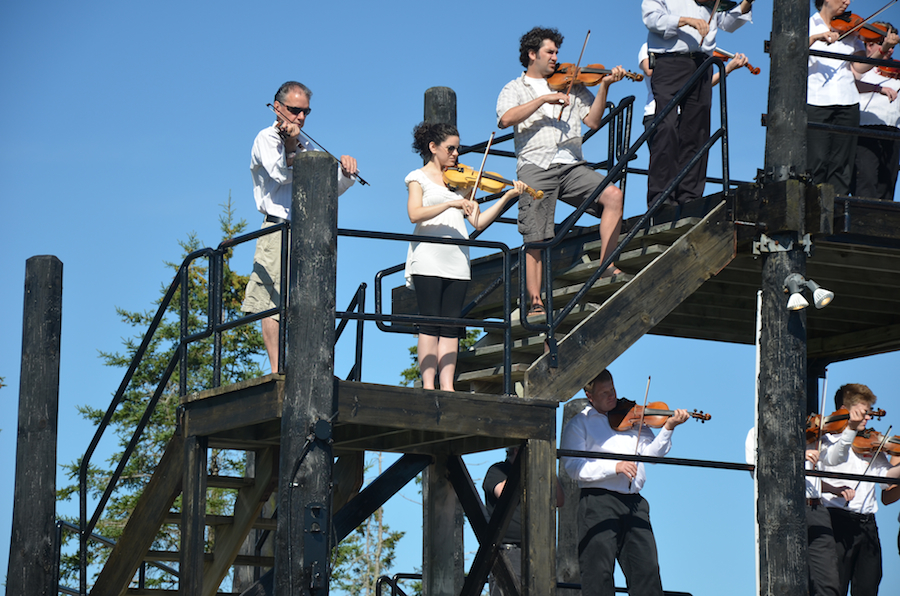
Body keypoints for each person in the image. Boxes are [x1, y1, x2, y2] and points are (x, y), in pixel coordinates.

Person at [496, 27, 625, 317]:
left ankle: (605, 267)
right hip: (536, 164)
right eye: (549, 52)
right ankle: (535, 302)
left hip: (572, 163)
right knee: (536, 236)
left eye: (557, 52)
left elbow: (593, 121)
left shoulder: (574, 85)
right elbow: (505, 119)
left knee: (613, 195)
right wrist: (543, 100)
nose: (556, 58)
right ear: (532, 54)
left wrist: (604, 86)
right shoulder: (515, 88)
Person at [241, 81, 359, 371]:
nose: (301, 117)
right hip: (277, 228)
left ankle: (306, 364)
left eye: (306, 111)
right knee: (273, 299)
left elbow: (329, 188)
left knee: (309, 298)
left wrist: (345, 173)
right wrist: (296, 151)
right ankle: (278, 368)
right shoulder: (267, 137)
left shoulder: (306, 143)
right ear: (278, 107)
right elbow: (280, 173)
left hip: (309, 231)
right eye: (295, 110)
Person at [405, 122, 526, 391]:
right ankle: (428, 385)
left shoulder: (461, 182)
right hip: (428, 257)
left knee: (451, 325)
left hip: (457, 260)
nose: (456, 154)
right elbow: (414, 214)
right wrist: (450, 202)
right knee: (429, 323)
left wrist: (506, 197)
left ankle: (447, 386)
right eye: (451, 148)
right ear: (433, 147)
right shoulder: (418, 178)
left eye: (457, 149)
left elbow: (478, 222)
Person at [559, 369, 689, 596]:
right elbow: (574, 467)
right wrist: (614, 467)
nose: (613, 396)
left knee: (646, 570)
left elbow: (652, 456)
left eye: (613, 389)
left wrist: (668, 428)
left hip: (634, 503)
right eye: (605, 393)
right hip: (598, 502)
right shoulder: (580, 424)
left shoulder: (633, 418)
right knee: (598, 572)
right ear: (590, 397)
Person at [744, 401, 870, 596]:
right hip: (782, 510)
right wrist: (796, 456)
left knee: (829, 584)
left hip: (816, 509)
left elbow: (835, 458)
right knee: (785, 580)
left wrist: (851, 428)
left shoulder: (810, 432)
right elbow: (758, 471)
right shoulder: (757, 432)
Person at [642, 0, 753, 207]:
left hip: (703, 64)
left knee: (697, 132)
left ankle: (690, 198)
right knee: (666, 126)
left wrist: (747, 2)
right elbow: (651, 19)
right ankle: (661, 199)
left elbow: (728, 23)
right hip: (669, 61)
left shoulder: (712, 3)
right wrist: (686, 21)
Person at [808, 1, 899, 196]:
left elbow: (858, 70)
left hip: (847, 102)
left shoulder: (851, 33)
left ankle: (835, 214)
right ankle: (812, 215)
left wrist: (883, 49)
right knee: (816, 161)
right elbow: (792, 51)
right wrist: (817, 37)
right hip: (817, 101)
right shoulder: (808, 26)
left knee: (841, 166)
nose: (847, 2)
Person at [819, 383, 900, 596]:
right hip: (836, 520)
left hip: (867, 525)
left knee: (868, 587)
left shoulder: (870, 444)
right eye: (865, 413)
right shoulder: (826, 440)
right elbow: (835, 458)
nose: (869, 419)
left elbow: (886, 479)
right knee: (834, 586)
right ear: (846, 411)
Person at [482, 446, 565, 596]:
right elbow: (503, 492)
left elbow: (559, 499)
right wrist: (525, 466)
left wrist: (548, 468)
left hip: (538, 550)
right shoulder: (497, 470)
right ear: (517, 451)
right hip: (508, 550)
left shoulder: (541, 475)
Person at [637, 41, 750, 147]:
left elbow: (702, 84)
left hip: (688, 114)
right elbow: (649, 70)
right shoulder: (649, 46)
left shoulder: (692, 52)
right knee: (664, 161)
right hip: (657, 112)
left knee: (687, 161)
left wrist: (727, 69)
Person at [851, 22, 900, 201]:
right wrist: (877, 88)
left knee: (887, 185)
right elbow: (850, 83)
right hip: (866, 129)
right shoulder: (859, 67)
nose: (890, 50)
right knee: (866, 181)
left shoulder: (897, 70)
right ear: (870, 44)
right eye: (885, 43)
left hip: (894, 131)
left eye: (893, 46)